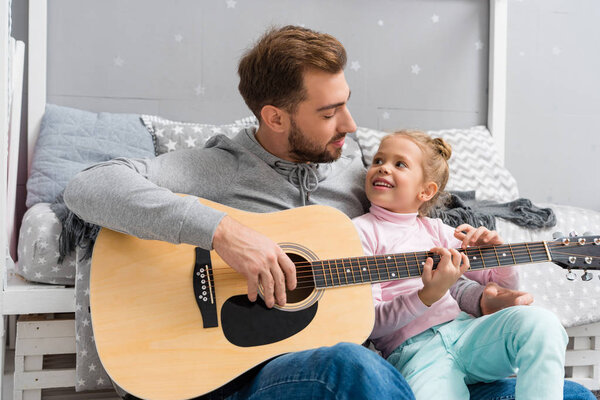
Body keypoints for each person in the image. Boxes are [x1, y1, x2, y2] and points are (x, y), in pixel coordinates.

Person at [64, 26, 592, 400]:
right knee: (350, 362)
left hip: (387, 360)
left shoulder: (354, 171)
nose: (350, 123)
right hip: (238, 371)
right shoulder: (215, 169)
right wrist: (223, 232)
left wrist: (484, 266)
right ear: (274, 116)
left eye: (346, 102)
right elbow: (89, 186)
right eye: (328, 112)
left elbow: (414, 227)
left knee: (568, 392)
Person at [351, 130, 579, 399]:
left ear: (426, 191)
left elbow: (502, 289)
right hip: (414, 352)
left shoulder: (436, 230)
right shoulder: (358, 232)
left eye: (399, 164)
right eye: (378, 161)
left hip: (467, 333)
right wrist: (426, 297)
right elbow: (371, 323)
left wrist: (498, 255)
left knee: (541, 323)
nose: (383, 168)